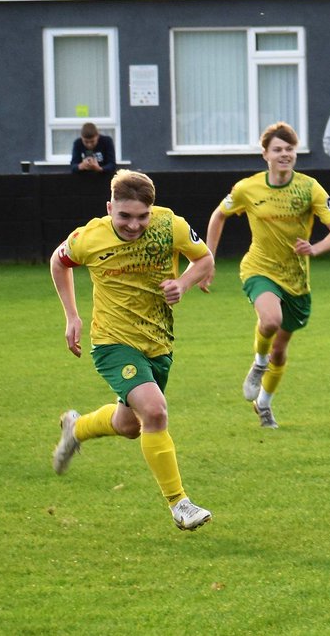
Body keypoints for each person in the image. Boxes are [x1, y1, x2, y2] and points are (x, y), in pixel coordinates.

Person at [49, 170, 214, 531]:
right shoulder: (88, 237)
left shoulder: (170, 225)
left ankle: (76, 429)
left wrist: (183, 284)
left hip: (157, 342)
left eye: (142, 216)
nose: (134, 225)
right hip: (112, 342)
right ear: (110, 207)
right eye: (124, 216)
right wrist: (72, 316)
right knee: (155, 411)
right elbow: (58, 262)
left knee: (130, 426)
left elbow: (205, 260)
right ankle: (180, 503)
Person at [203, 122, 330, 428]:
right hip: (259, 267)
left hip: (296, 279)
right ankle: (258, 364)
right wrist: (209, 258)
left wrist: (315, 248)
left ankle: (264, 404)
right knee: (270, 320)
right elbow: (219, 215)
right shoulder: (248, 188)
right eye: (278, 150)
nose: (284, 155)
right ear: (265, 155)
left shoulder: (310, 188)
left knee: (280, 351)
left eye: (289, 150)